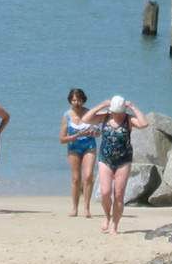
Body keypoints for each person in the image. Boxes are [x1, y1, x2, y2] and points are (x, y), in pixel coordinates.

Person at [81, 94, 148, 235]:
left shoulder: (128, 119)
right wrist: (102, 105)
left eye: (119, 112)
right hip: (105, 159)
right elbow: (85, 118)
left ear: (123, 111)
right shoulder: (105, 117)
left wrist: (133, 107)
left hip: (124, 161)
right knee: (105, 193)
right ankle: (107, 216)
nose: (116, 114)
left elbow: (144, 124)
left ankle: (115, 225)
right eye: (114, 112)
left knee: (119, 195)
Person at [59, 88, 99, 218]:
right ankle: (74, 208)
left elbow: (98, 132)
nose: (76, 103)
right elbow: (62, 139)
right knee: (76, 179)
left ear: (83, 100)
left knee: (88, 176)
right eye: (74, 100)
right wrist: (75, 136)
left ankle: (86, 208)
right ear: (70, 101)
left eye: (79, 100)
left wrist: (94, 132)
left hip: (89, 146)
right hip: (74, 147)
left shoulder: (89, 113)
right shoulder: (67, 116)